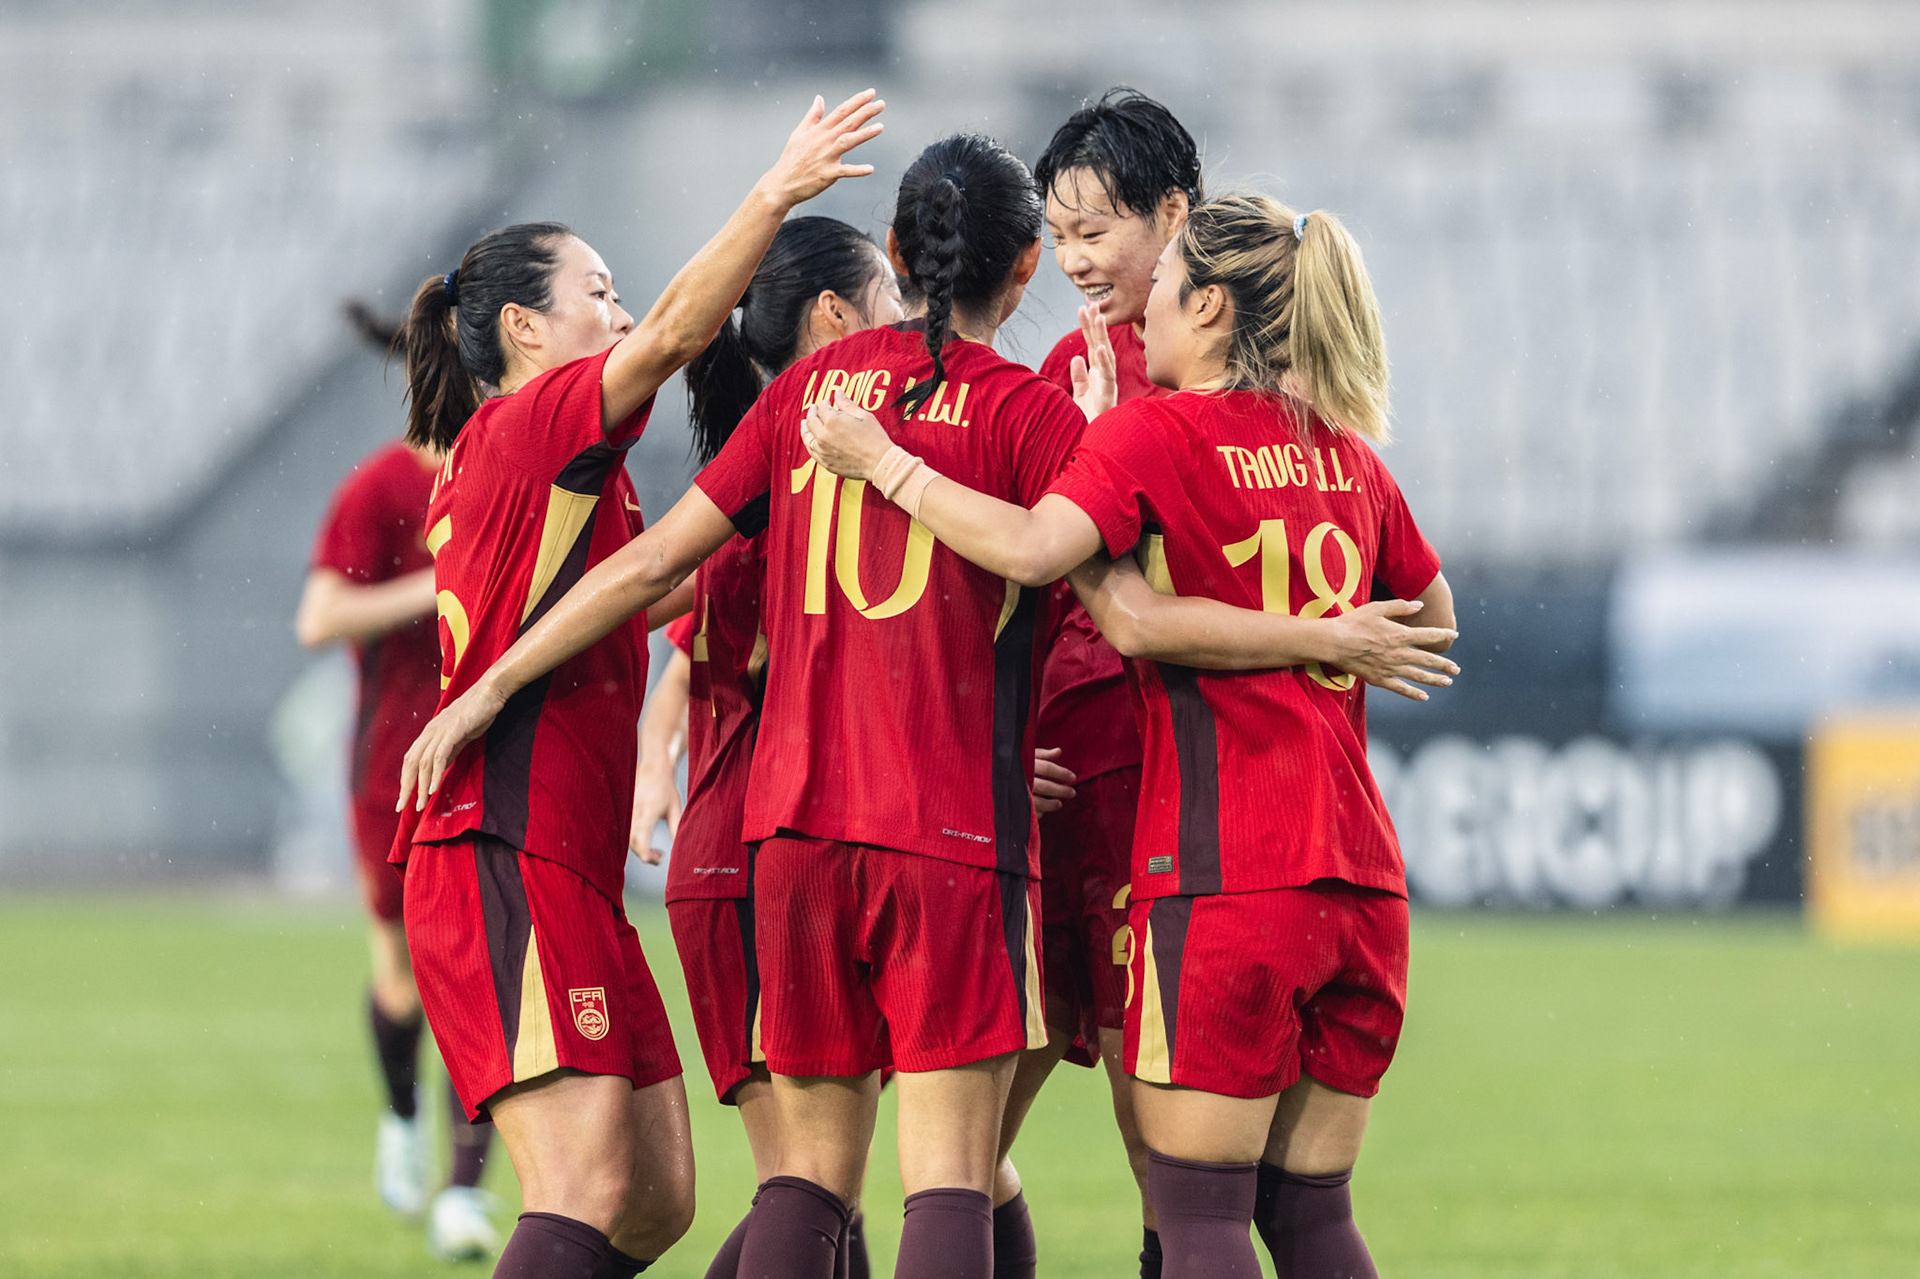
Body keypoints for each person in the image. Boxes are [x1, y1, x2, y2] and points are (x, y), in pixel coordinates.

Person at [400, 140, 1452, 1279]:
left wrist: (498, 680)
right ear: (1024, 270)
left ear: (900, 257)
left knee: (801, 1183)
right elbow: (1123, 602)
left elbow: (660, 569)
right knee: (967, 1174)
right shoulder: (1064, 418)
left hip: (791, 831)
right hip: (964, 832)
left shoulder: (808, 394)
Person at [797, 193, 1457, 1278]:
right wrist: (1325, 639)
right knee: (1312, 1217)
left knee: (1197, 1214)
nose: (1133, 301)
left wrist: (890, 468)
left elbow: (1031, 551)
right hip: (1361, 881)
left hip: (1225, 871)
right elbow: (1433, 621)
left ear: (1206, 305)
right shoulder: (1342, 451)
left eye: (1161, 284)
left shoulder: (1156, 433)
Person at [390, 89, 886, 1279]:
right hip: (498, 848)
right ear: (522, 327)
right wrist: (777, 193)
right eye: (595, 293)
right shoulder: (528, 431)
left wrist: (785, 485)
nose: (619, 313)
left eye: (616, 292)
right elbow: (670, 334)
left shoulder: (552, 469)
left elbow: (649, 589)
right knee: (587, 1184)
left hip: (563, 861)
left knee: (657, 1197)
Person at [629, 215, 905, 1279]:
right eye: (884, 294)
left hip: (744, 851)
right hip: (762, 854)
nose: (901, 320)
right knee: (812, 1188)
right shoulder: (794, 492)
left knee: (818, 1191)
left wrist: (657, 753)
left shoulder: (761, 479)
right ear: (835, 315)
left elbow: (691, 644)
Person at [991, 88, 1206, 1279]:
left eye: (1096, 232)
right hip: (1048, 794)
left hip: (1162, 789)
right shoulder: (1062, 369)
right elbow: (1013, 587)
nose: (1074, 261)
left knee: (1164, 1141)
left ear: (1174, 215)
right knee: (960, 1138)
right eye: (1058, 235)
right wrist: (997, 733)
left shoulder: (1226, 376)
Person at [294, 303, 498, 1261]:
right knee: (403, 974)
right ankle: (403, 1116)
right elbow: (319, 616)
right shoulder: (384, 487)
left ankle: (464, 1192)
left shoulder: (507, 466)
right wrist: (441, 581)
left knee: (482, 975)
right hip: (391, 766)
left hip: (491, 758)